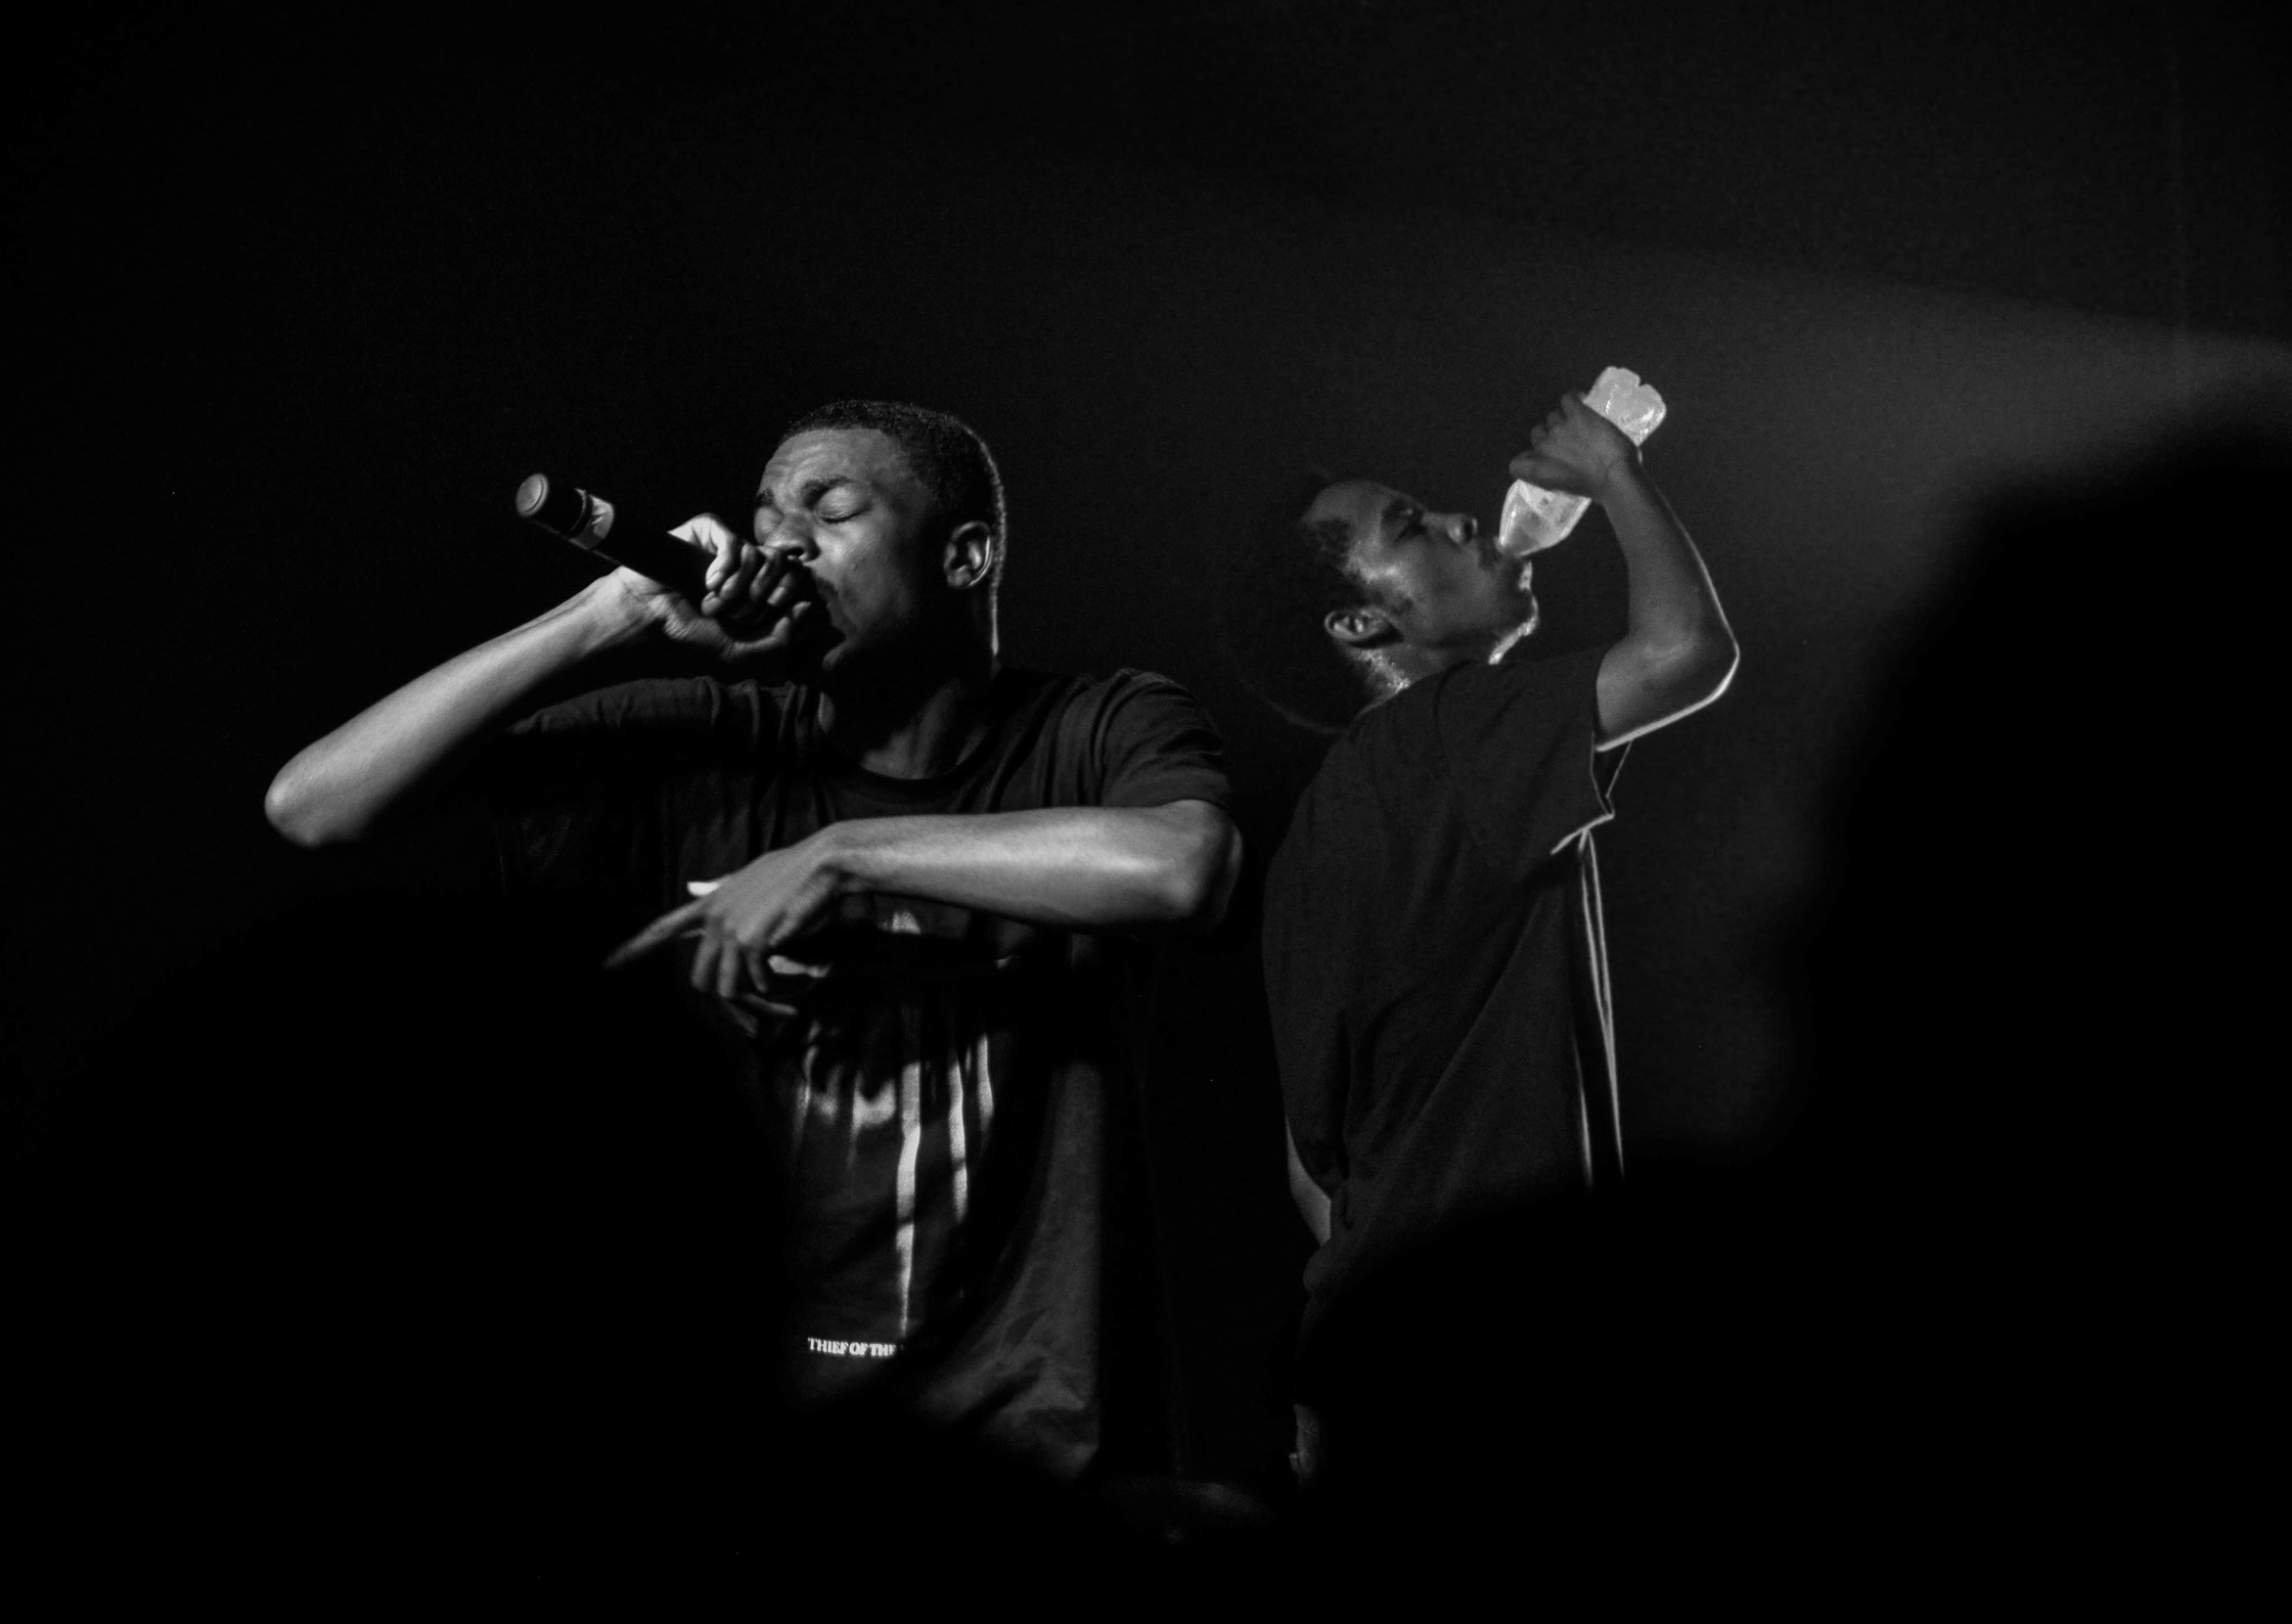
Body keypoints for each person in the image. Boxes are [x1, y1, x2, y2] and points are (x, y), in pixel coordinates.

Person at [264, 400, 1239, 1485]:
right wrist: (610, 608)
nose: (782, 542)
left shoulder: (1097, 725)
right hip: (752, 1448)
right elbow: (316, 806)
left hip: (1030, 1441)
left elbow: (1179, 868)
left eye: (831, 511)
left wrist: (839, 856)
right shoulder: (709, 736)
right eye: (767, 516)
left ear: (964, 554)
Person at [1222, 387, 1736, 1493]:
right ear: (1362, 624)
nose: (1462, 520)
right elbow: (1685, 650)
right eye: (1410, 526)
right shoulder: (1444, 735)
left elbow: (1313, 1169)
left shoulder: (1330, 822)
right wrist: (1612, 470)